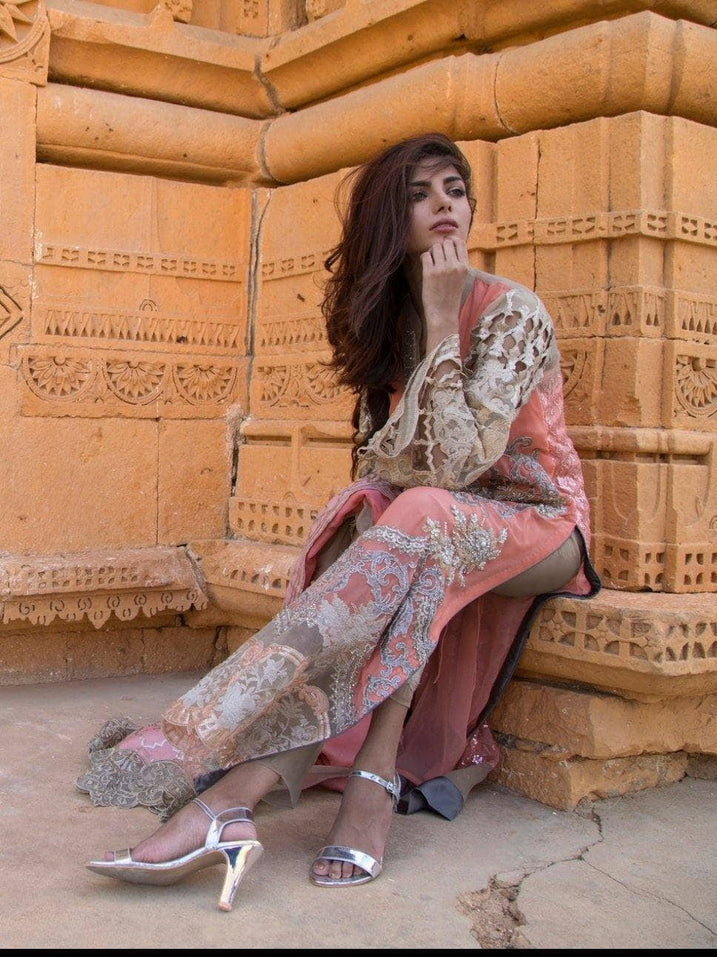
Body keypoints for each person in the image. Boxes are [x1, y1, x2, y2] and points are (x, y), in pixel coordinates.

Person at [77, 132, 600, 910]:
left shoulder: (510, 312)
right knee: (378, 516)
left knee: (418, 517)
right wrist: (422, 331)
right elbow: (385, 468)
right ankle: (327, 786)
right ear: (391, 219)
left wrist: (445, 320)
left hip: (540, 524)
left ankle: (240, 791)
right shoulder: (389, 324)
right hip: (434, 530)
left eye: (455, 189)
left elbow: (460, 463)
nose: (444, 205)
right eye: (420, 195)